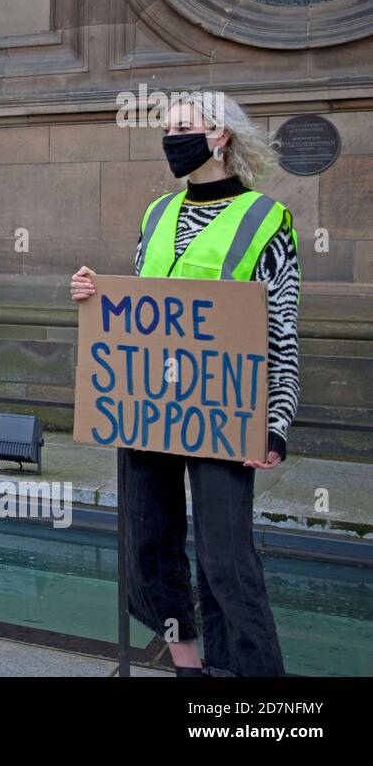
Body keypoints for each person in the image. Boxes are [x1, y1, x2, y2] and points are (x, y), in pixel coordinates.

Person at [70, 90, 299, 677]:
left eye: (183, 127)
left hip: (227, 411)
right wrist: (95, 298)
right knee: (147, 548)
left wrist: (275, 422)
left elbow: (283, 331)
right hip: (146, 407)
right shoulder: (157, 214)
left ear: (219, 136)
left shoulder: (266, 220)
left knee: (227, 561)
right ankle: (188, 669)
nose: (171, 139)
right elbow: (142, 310)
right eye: (166, 128)